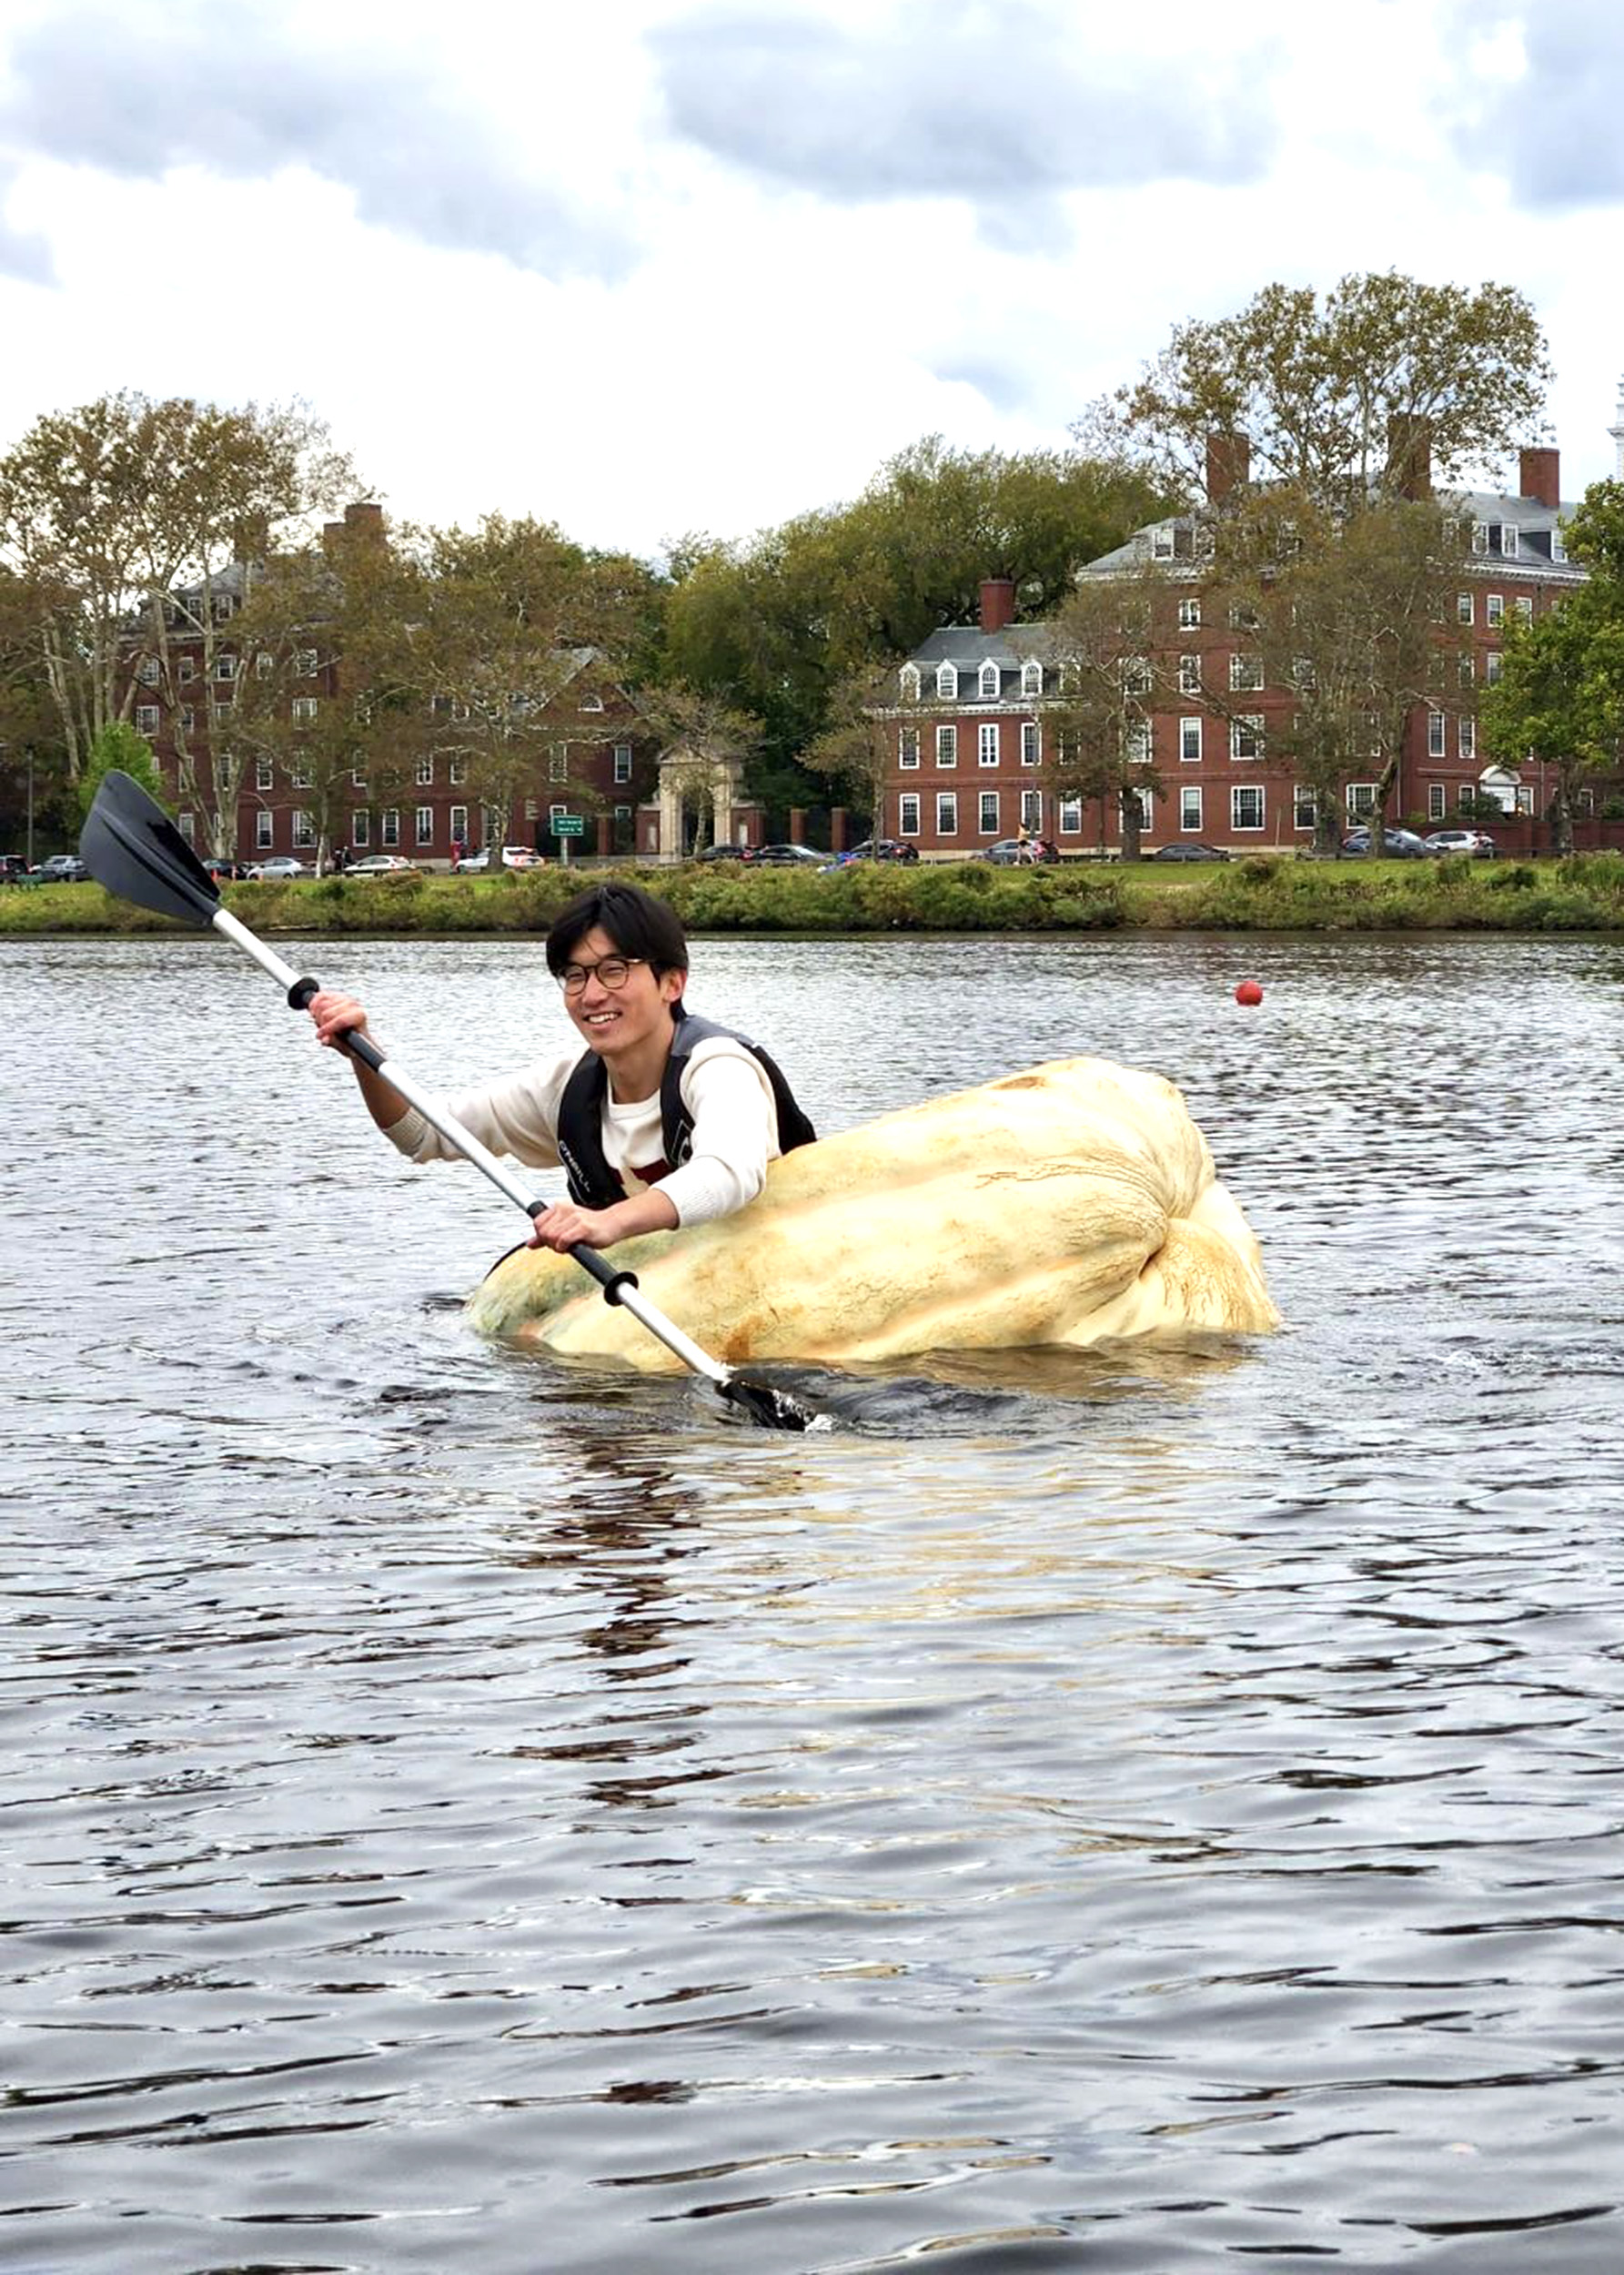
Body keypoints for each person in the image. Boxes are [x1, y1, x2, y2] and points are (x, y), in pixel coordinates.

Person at [305, 880, 814, 1254]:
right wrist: (363, 1053)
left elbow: (729, 1172)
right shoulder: (566, 1088)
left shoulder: (718, 1067)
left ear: (671, 983)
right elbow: (420, 1133)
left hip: (789, 1268)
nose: (592, 995)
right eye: (574, 976)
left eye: (614, 971)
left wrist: (609, 1223)